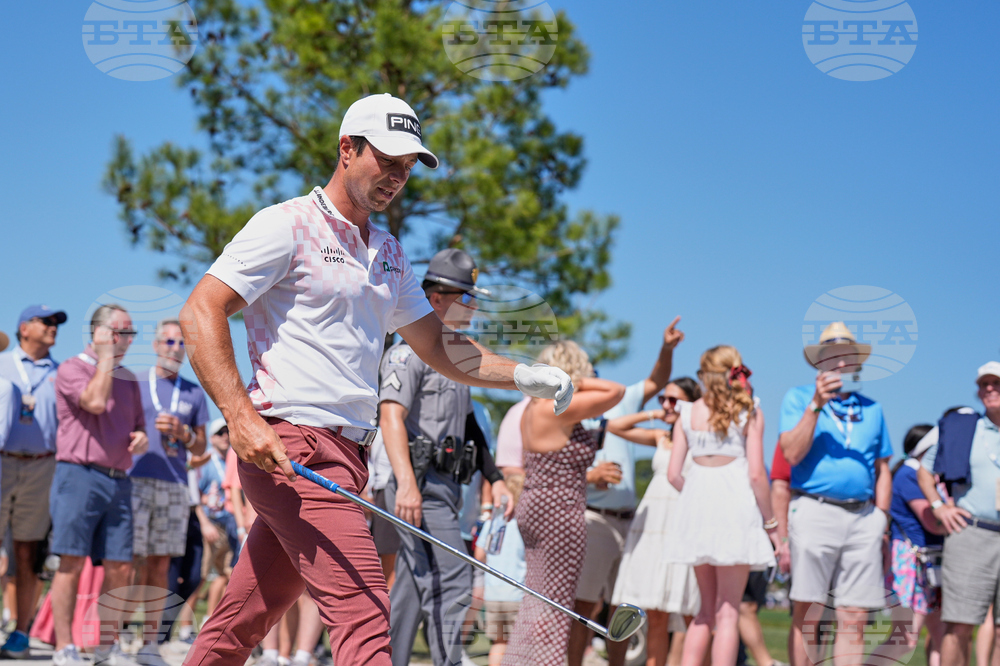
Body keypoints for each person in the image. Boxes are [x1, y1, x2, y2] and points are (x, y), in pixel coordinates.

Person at [179, 92, 573, 666]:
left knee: (243, 618)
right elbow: (201, 311)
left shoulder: (389, 252)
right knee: (365, 610)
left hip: (346, 458)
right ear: (347, 149)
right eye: (386, 161)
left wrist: (526, 375)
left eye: (408, 167)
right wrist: (240, 419)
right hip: (290, 448)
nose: (397, 176)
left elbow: (437, 346)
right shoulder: (287, 225)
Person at [380, 247, 513, 666]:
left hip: (443, 486)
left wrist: (495, 476)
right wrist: (406, 483)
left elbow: (469, 425)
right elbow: (391, 417)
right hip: (416, 484)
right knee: (453, 579)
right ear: (436, 298)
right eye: (466, 297)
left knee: (410, 587)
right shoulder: (408, 353)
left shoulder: (456, 358)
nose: (473, 308)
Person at [566, 319, 685, 666]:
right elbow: (550, 467)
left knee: (625, 609)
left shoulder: (620, 401)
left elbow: (656, 381)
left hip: (630, 521)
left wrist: (665, 349)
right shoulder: (567, 410)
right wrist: (591, 475)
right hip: (593, 518)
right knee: (585, 606)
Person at [501, 341, 626, 666]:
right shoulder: (557, 406)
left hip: (537, 505)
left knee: (539, 597)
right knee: (555, 602)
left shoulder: (533, 406)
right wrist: (576, 379)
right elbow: (616, 391)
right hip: (559, 511)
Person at [779, 321, 893, 666]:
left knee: (855, 616)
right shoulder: (798, 398)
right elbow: (791, 454)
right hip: (815, 509)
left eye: (847, 356)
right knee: (809, 613)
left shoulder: (872, 409)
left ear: (855, 363)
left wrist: (881, 520)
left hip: (862, 516)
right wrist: (816, 404)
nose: (840, 362)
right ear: (820, 361)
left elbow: (884, 467)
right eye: (831, 355)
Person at [663, 345, 778, 666]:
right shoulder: (749, 410)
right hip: (735, 512)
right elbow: (757, 475)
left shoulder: (687, 413)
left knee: (704, 610)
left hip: (697, 513)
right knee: (728, 611)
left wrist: (699, 497)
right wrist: (772, 526)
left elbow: (674, 475)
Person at [49, 304, 149, 666]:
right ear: (99, 333)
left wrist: (141, 438)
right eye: (119, 332)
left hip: (119, 479)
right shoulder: (71, 368)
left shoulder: (130, 380)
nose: (126, 340)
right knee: (71, 561)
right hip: (78, 475)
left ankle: (106, 648)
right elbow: (93, 401)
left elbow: (139, 428)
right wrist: (106, 359)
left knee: (121, 566)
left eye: (130, 333)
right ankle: (64, 648)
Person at [607, 378, 702, 666]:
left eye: (674, 399)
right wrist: (654, 414)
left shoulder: (701, 437)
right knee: (655, 611)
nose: (666, 404)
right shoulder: (662, 437)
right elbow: (614, 426)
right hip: (651, 526)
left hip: (683, 524)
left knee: (691, 610)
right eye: (663, 398)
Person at [130, 319, 208, 666]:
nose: (175, 348)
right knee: (129, 560)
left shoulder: (193, 392)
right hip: (134, 480)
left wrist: (184, 433)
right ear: (156, 344)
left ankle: (150, 643)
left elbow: (201, 445)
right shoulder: (134, 383)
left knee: (161, 563)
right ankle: (115, 635)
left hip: (175, 485)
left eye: (181, 343)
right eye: (169, 341)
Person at [916, 362, 1000, 666]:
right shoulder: (963, 428)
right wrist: (941, 506)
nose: (990, 388)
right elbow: (924, 473)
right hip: (972, 532)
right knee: (960, 624)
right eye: (984, 384)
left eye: (997, 383)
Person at [0, 305, 66, 659]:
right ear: (24, 327)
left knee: (28, 553)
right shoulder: (1, 364)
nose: (54, 327)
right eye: (47, 321)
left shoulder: (62, 372)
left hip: (42, 467)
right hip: (1, 461)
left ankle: (21, 633)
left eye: (57, 323)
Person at [867, 424, 945, 666]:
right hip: (912, 564)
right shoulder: (909, 475)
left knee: (942, 638)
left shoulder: (919, 474)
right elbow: (932, 522)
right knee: (905, 639)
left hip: (931, 564)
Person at [474, 472, 527, 666]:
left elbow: (479, 556)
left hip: (493, 595)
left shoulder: (493, 524)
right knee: (519, 645)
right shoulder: (525, 527)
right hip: (517, 596)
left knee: (499, 643)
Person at [197, 418, 239, 621]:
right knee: (201, 575)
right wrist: (204, 520)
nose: (225, 437)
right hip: (211, 524)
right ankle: (186, 625)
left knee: (226, 574)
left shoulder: (233, 459)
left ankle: (211, 617)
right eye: (220, 433)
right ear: (211, 438)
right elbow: (195, 493)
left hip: (229, 523)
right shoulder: (206, 462)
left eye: (228, 432)